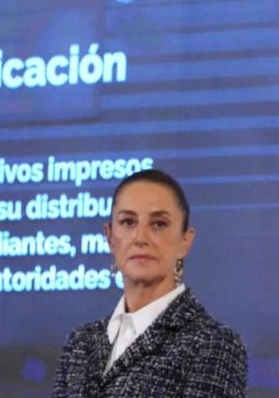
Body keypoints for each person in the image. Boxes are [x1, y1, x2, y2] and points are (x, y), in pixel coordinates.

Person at [53, 169, 246, 397]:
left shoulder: (213, 343)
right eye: (128, 222)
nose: (141, 237)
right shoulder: (81, 343)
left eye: (159, 224)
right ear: (110, 238)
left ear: (185, 241)